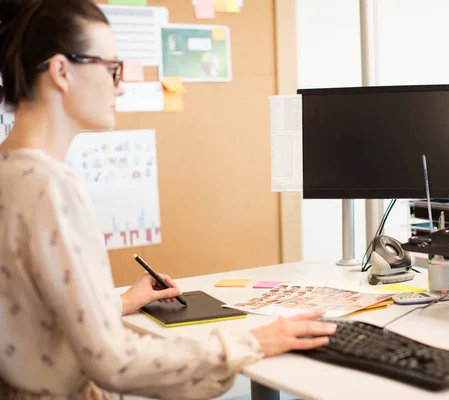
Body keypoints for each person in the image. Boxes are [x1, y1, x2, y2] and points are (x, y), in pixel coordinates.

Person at [0, 0, 336, 398]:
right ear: (61, 71)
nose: (120, 85)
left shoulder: (11, 172)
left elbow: (32, 320)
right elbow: (117, 362)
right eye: (112, 69)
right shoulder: (50, 187)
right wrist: (254, 342)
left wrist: (122, 302)